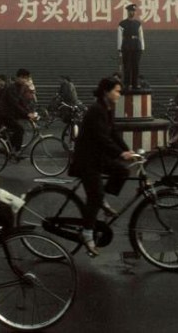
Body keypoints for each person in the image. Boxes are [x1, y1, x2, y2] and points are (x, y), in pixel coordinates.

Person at [68, 77, 135, 257]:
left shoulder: (107, 108)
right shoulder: (96, 110)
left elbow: (113, 132)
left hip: (98, 157)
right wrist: (120, 154)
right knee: (95, 196)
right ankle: (87, 233)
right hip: (86, 159)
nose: (119, 94)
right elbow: (101, 138)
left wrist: (127, 150)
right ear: (106, 91)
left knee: (122, 171)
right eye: (117, 91)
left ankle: (102, 199)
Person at [0, 68, 37, 152]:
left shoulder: (20, 87)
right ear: (19, 77)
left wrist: (29, 112)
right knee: (19, 130)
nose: (26, 80)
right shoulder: (12, 88)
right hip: (3, 114)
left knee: (17, 131)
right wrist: (27, 114)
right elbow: (15, 104)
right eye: (25, 78)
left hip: (9, 114)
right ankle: (14, 151)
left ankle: (10, 149)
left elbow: (22, 101)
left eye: (27, 78)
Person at [117, 4, 145, 90]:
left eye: (133, 11)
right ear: (127, 12)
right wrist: (119, 48)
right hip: (126, 45)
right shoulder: (122, 23)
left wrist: (142, 47)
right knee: (127, 66)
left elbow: (141, 36)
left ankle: (135, 84)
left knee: (136, 66)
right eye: (130, 11)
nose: (132, 13)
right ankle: (126, 84)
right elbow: (119, 36)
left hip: (136, 45)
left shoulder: (138, 23)